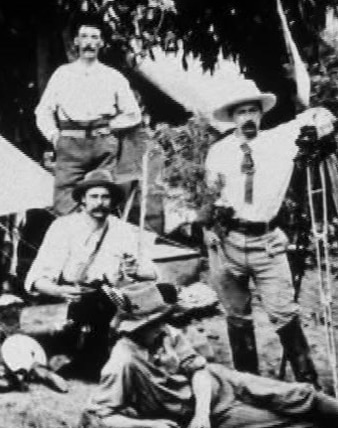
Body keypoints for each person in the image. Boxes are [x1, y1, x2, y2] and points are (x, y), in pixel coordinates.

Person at [204, 83, 335, 386]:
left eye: (253, 110)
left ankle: (309, 386)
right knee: (236, 316)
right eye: (241, 112)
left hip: (268, 241)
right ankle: (249, 386)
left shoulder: (280, 140)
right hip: (228, 242)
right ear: (232, 117)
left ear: (261, 114)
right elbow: (208, 199)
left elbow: (321, 114)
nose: (248, 117)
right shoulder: (219, 152)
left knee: (284, 313)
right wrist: (209, 232)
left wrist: (318, 119)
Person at [82, 282, 338, 428]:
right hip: (210, 410)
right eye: (158, 321)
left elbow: (198, 369)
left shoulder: (168, 333)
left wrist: (201, 412)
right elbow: (102, 414)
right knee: (287, 424)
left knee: (300, 395)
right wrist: (150, 424)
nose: (164, 324)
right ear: (140, 327)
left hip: (218, 383)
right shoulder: (123, 362)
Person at [22, 169, 158, 378]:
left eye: (105, 197)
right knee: (42, 347)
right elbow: (36, 279)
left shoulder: (123, 231)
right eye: (94, 196)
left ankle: (94, 357)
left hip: (108, 305)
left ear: (113, 202)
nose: (100, 203)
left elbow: (152, 273)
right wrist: (58, 290)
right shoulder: (63, 227)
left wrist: (135, 270)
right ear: (83, 200)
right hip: (69, 299)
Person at [35, 14, 142, 216]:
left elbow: (133, 114)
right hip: (70, 146)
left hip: (102, 146)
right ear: (76, 41)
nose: (89, 43)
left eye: (94, 37)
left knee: (101, 202)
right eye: (84, 36)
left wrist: (111, 127)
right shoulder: (63, 74)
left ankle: (100, 245)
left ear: (101, 43)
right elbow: (43, 111)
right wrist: (54, 136)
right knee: (64, 205)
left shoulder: (112, 76)